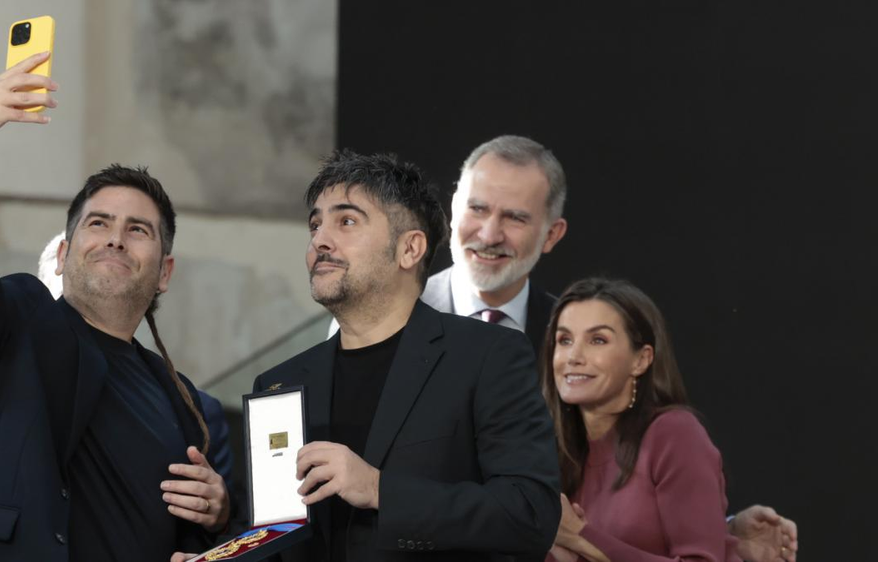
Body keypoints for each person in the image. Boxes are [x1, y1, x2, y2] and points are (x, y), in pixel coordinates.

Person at [0, 52, 232, 561]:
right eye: (98, 223)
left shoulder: (189, 406)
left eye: (138, 230)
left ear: (165, 273)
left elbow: (199, 540)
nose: (116, 240)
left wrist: (217, 517)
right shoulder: (16, 323)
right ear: (62, 254)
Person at [422, 135, 798, 561]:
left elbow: (601, 516)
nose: (490, 233)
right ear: (452, 208)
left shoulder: (562, 326)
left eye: (515, 218)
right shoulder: (383, 324)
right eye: (477, 208)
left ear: (552, 233)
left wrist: (716, 531)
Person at [179, 149, 561, 561]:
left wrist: (379, 489)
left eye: (346, 222)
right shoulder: (280, 382)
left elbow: (529, 514)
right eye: (315, 225)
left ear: (409, 249)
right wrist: (218, 556)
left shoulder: (487, 355)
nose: (319, 241)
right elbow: (278, 537)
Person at [542, 278, 765, 562]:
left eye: (597, 340)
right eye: (564, 340)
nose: (573, 356)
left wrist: (581, 536)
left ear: (641, 360)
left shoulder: (675, 434)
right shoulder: (552, 450)